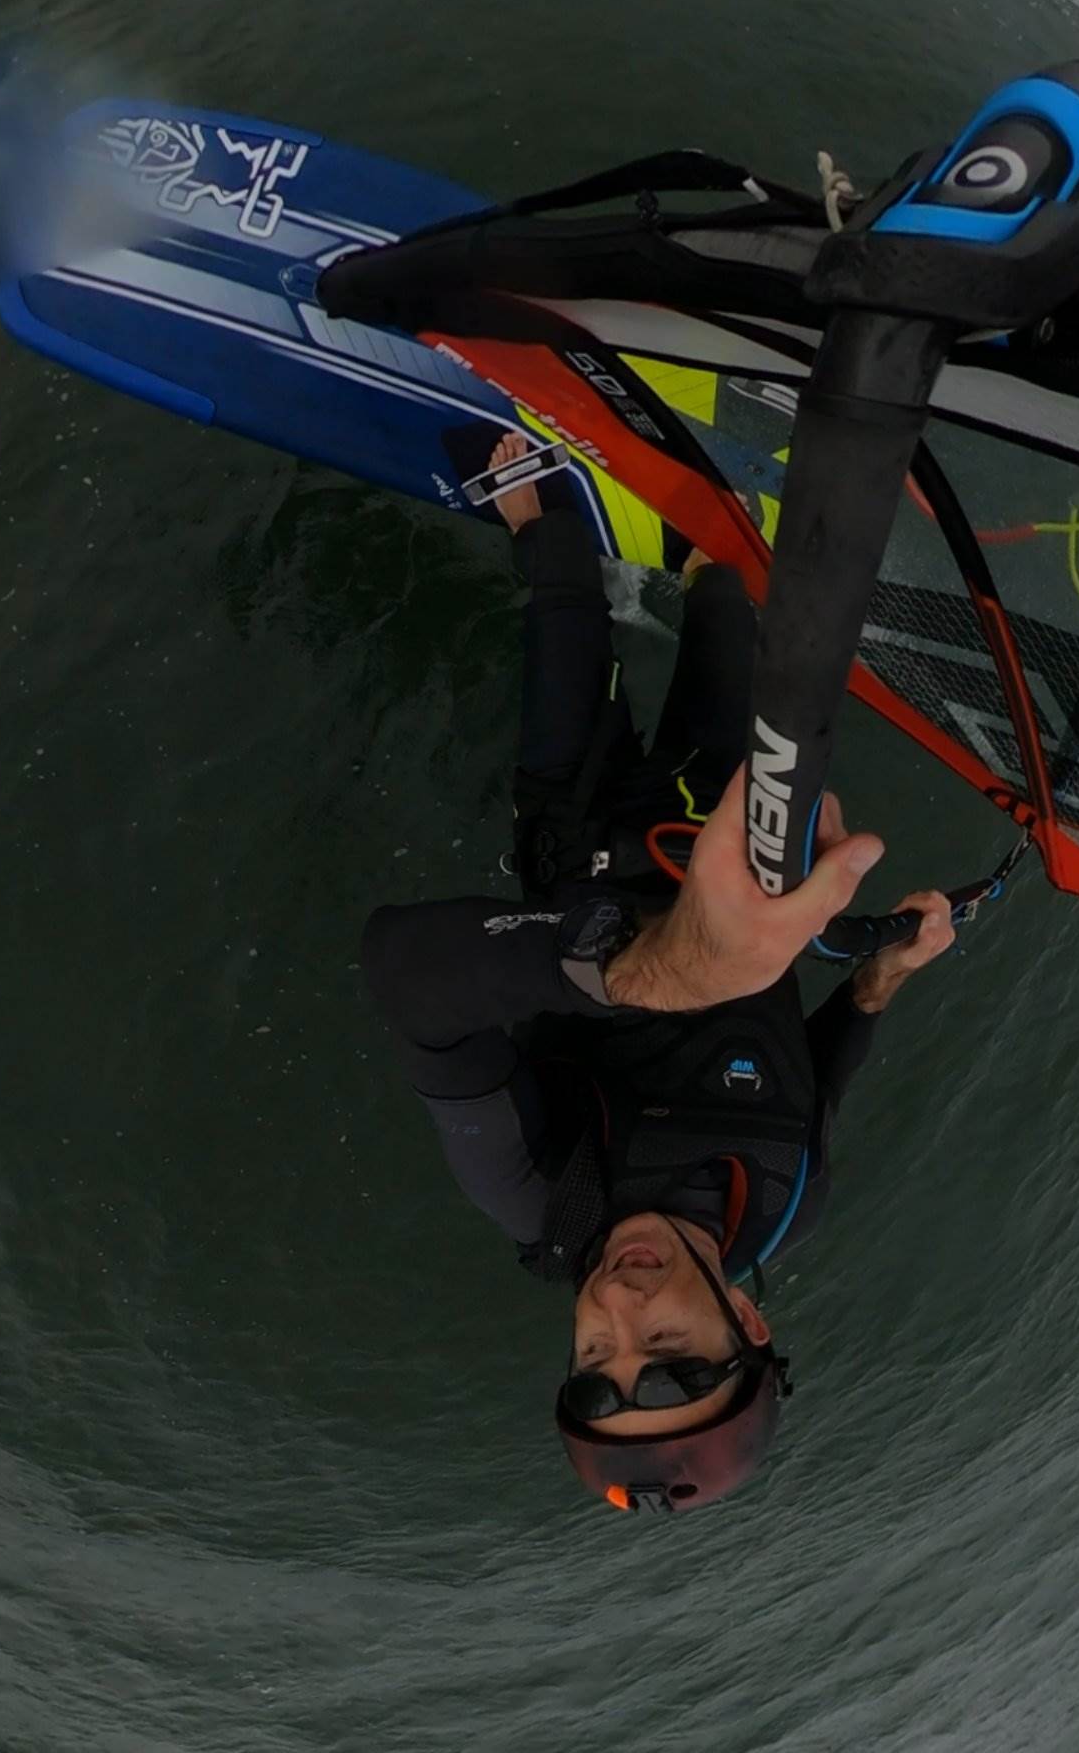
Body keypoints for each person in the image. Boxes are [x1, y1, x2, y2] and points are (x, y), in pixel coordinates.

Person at [358, 434, 963, 1512]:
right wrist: (880, 984)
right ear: (749, 1322)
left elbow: (407, 975)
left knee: (564, 586)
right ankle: (693, 518)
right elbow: (818, 1081)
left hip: (581, 836)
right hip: (726, 829)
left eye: (597, 1362)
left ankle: (539, 507)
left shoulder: (539, 1192)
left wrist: (656, 975)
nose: (621, 1312)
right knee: (724, 598)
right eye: (673, 1357)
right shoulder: (788, 1205)